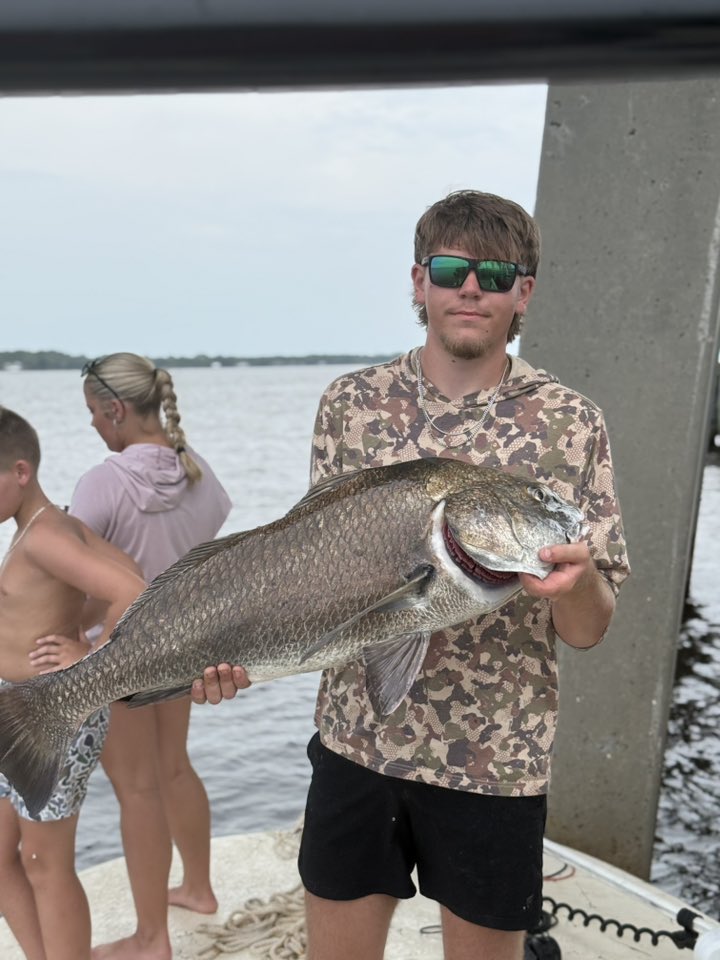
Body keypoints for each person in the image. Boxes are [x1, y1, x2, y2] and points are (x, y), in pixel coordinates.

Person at [192, 189, 631, 960]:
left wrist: (582, 580)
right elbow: (309, 571)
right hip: (355, 744)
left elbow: (589, 630)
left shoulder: (572, 421)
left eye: (495, 274)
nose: (472, 288)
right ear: (419, 281)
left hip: (497, 763)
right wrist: (233, 653)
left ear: (523, 292)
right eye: (453, 268)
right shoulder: (350, 405)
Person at [32, 353, 232, 960]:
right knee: (174, 767)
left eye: (94, 413)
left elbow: (66, 572)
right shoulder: (196, 471)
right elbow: (213, 542)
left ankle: (151, 939)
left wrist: (76, 643)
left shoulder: (104, 481)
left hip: (120, 656)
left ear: (115, 409)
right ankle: (197, 889)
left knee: (137, 788)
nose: (93, 426)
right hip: (183, 649)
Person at [0, 406, 145, 960]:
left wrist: (88, 653)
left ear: (19, 471)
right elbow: (129, 568)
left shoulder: (43, 536)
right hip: (17, 712)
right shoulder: (46, 525)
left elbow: (131, 591)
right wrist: (75, 622)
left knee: (44, 862)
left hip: (53, 715)